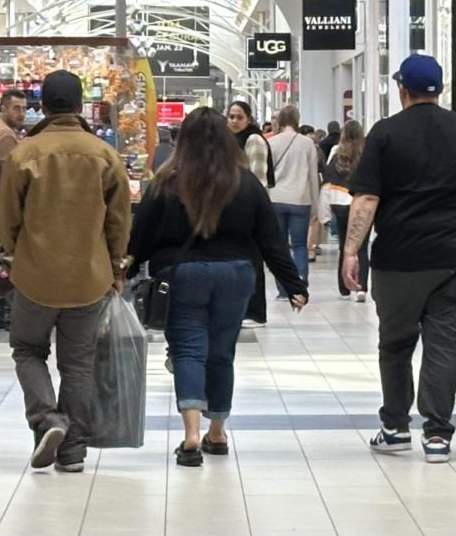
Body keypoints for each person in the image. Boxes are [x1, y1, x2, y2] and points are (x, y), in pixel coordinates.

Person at [342, 54, 456, 464]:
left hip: (399, 259)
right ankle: (437, 437)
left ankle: (395, 428)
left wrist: (351, 251)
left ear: (403, 89)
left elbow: (367, 197)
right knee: (442, 345)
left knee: (396, 344)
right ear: (438, 90)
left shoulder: (385, 134)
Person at [129, 108, 308, 467]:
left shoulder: (166, 182)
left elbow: (141, 236)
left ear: (183, 141)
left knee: (188, 352)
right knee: (222, 353)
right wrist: (292, 283)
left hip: (183, 275)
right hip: (236, 274)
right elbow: (270, 237)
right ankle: (217, 432)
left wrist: (123, 267)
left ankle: (191, 435)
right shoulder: (244, 182)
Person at [0, 70, 131, 473]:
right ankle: (72, 449)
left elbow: (9, 219)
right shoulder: (105, 155)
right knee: (78, 364)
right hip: (89, 277)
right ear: (80, 106)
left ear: (42, 106)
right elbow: (119, 220)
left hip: (35, 275)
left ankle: (46, 419)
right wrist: (115, 267)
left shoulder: (25, 153)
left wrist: (13, 254)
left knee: (27, 349)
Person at [226, 101, 274, 329]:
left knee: (254, 259)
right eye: (231, 116)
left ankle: (256, 312)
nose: (234, 121)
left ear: (249, 119)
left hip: (250, 208)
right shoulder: (232, 141)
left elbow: (257, 178)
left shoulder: (253, 140)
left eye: (239, 117)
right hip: (235, 206)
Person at [267, 105, 320, 286]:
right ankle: (300, 283)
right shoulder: (307, 144)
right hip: (300, 199)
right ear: (297, 120)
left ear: (280, 121)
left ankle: (283, 288)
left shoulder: (272, 143)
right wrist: (315, 204)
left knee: (280, 247)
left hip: (276, 199)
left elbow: (267, 176)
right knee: (299, 245)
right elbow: (313, 176)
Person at [320, 120, 367, 300]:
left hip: (340, 202)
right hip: (361, 202)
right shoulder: (366, 153)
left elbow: (329, 177)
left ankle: (344, 286)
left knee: (344, 246)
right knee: (361, 246)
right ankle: (361, 286)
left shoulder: (337, 152)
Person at [0, 89, 28, 161]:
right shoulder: (6, 134)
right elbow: (8, 170)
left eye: (24, 109)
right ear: (3, 110)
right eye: (16, 108)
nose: (22, 114)